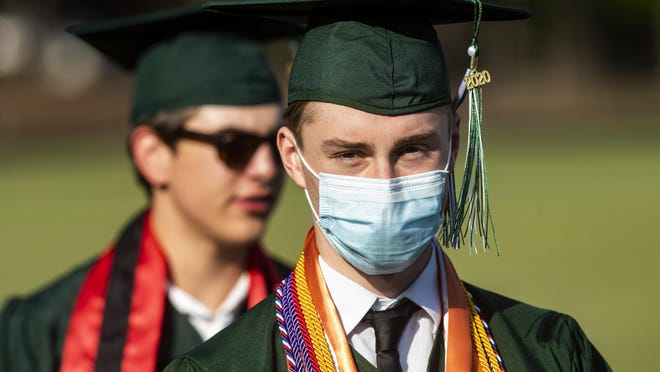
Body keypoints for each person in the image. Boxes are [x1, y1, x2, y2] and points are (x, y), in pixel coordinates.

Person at [164, 0, 612, 371]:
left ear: (454, 144)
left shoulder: (547, 352)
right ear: (292, 157)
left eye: (414, 149)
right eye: (349, 154)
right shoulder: (223, 365)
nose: (386, 184)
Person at [0, 4, 298, 371]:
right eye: (233, 145)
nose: (266, 169)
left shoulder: (316, 318)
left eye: (275, 143)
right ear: (152, 154)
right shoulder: (42, 333)